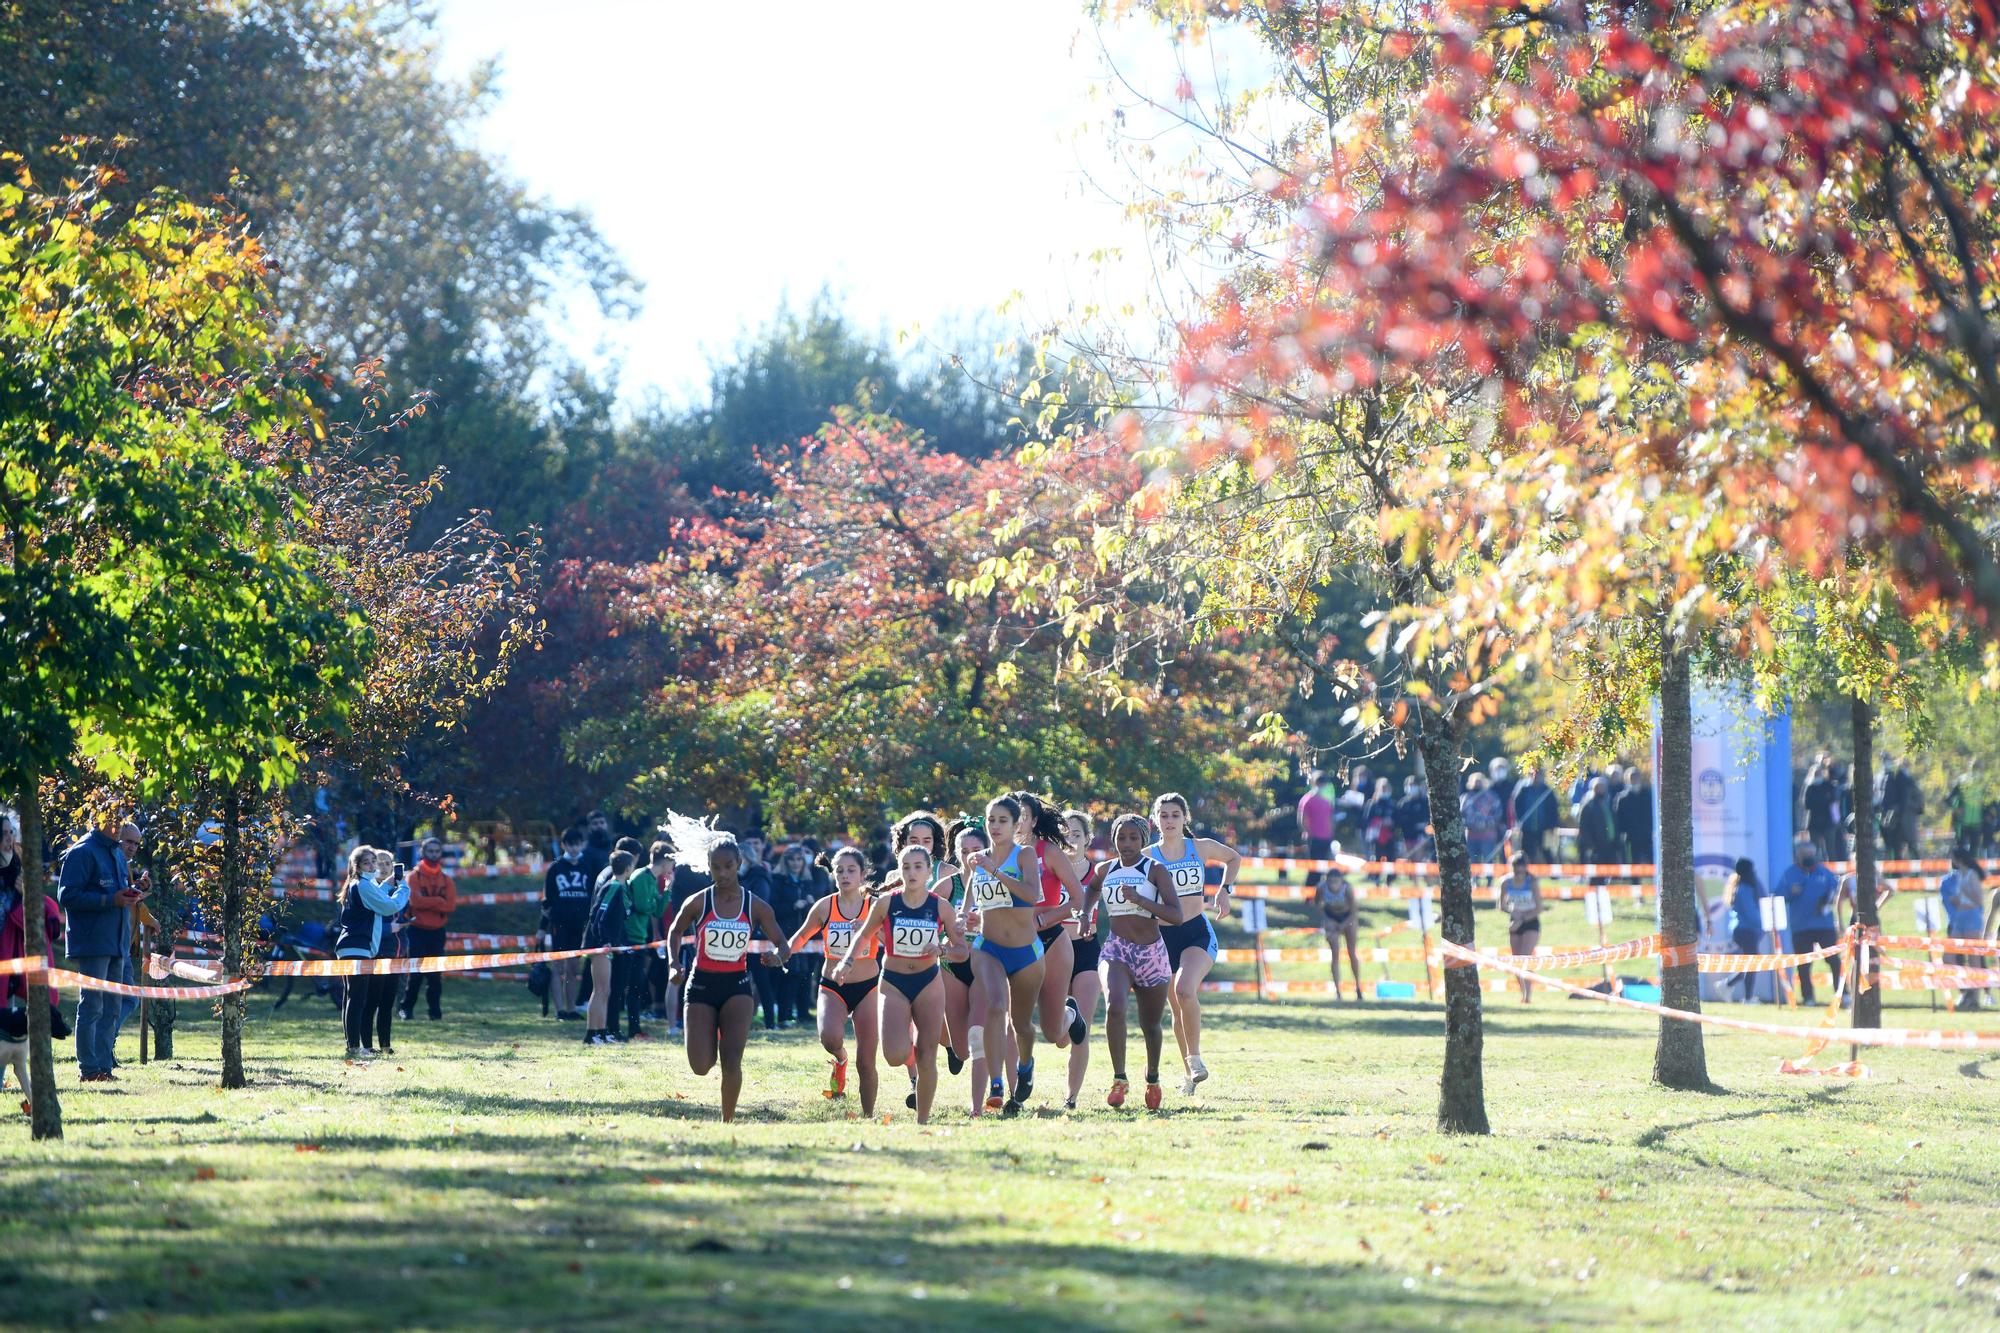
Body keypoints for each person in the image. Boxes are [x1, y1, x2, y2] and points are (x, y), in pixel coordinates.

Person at [833, 843, 969, 1123]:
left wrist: (942, 950)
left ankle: (922, 1119)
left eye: (918, 867)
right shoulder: (887, 902)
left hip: (928, 981)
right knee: (894, 1055)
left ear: (929, 872)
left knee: (928, 1054)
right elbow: (863, 937)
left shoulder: (940, 906)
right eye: (906, 867)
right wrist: (846, 962)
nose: (911, 872)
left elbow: (962, 950)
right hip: (894, 981)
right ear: (899, 870)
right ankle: (914, 1055)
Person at [664, 833, 790, 1122]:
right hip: (701, 985)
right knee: (701, 1065)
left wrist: (777, 957)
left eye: (728, 866)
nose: (722, 873)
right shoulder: (699, 902)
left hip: (737, 987)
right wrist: (673, 964)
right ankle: (710, 1034)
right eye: (716, 867)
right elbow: (674, 931)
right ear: (708, 866)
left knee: (732, 1058)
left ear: (739, 864)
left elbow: (783, 945)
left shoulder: (756, 906)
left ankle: (727, 1121)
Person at [1082, 813, 1183, 1110]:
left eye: (1133, 838)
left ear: (1143, 840)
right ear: (1113, 839)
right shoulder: (1105, 869)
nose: (1126, 844)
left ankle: (1152, 1078)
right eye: (1121, 837)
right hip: (1117, 950)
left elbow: (1176, 915)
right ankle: (1119, 1080)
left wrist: (1141, 900)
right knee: (1115, 1006)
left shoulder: (1155, 870)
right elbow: (1092, 889)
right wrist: (1087, 915)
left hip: (1151, 954)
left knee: (1150, 1024)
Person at [1145, 791, 1241, 1097]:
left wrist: (1224, 890)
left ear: (1185, 818)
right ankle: (1190, 1076)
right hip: (1162, 938)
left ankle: (1195, 1057)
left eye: (1175, 815)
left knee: (1184, 989)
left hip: (1196, 931)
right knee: (1175, 1007)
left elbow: (1233, 858)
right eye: (1164, 815)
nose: (1169, 821)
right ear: (1155, 820)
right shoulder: (1147, 856)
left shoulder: (1198, 847)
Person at [964, 795, 1046, 1115]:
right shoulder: (977, 859)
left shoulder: (1023, 854)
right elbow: (970, 905)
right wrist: (966, 917)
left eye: (1002, 821)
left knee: (1022, 1024)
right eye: (991, 820)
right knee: (996, 1007)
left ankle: (1025, 1064)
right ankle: (996, 1083)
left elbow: (1032, 893)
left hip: (1026, 952)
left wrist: (996, 870)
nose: (995, 826)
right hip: (989, 948)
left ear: (1015, 825)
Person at [789, 846, 881, 1110]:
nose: (845, 875)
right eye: (839, 870)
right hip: (833, 985)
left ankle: (867, 1116)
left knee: (866, 1060)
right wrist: (781, 951)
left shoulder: (874, 906)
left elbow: (890, 940)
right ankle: (840, 1059)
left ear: (863, 874)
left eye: (851, 870)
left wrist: (868, 931)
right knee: (830, 1038)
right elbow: (801, 936)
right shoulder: (825, 906)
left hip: (868, 987)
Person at [57, 806, 142, 1084]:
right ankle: (89, 1069)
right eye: (115, 821)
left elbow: (117, 893)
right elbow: (67, 896)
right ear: (100, 819)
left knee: (113, 1006)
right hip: (93, 941)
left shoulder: (116, 852)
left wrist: (134, 892)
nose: (119, 826)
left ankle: (104, 1067)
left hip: (117, 941)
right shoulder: (82, 851)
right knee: (92, 1005)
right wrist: (110, 901)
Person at [1016, 791, 1088, 1095]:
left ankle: (1070, 1013)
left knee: (1053, 1032)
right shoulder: (997, 856)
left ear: (1033, 820)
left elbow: (1078, 898)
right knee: (1012, 1021)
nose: (1016, 822)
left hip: (1050, 939)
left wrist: (1044, 919)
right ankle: (1014, 1083)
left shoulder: (1050, 852)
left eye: (1022, 815)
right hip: (1013, 944)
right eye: (1009, 815)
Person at [333, 846, 407, 1061]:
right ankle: (355, 1048)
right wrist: (403, 889)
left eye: (374, 862)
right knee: (357, 998)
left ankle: (353, 1046)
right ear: (357, 866)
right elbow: (388, 907)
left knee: (352, 997)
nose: (373, 866)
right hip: (357, 947)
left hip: (351, 946)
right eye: (368, 863)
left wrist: (385, 885)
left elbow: (374, 901)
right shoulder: (363, 885)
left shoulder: (360, 885)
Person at [1, 809, 67, 1042]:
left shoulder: (19, 873)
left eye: (11, 833)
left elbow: (31, 917)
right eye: (4, 834)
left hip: (9, 960)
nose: (9, 840)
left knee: (6, 1030)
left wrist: (27, 895)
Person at [1061, 808, 1100, 1110]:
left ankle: (1071, 1098)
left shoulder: (1098, 873)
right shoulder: (1048, 869)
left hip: (1087, 951)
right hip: (1055, 952)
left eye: (1077, 834)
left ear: (1088, 839)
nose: (1071, 840)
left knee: (1081, 1031)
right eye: (1066, 834)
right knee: (1061, 1037)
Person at [1773, 839, 1841, 1004]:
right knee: (1803, 964)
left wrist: (1829, 901)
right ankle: (1808, 997)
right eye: (1804, 855)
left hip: (1824, 925)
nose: (1809, 857)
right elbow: (1778, 896)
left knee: (1833, 960)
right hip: (1801, 927)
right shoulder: (1789, 874)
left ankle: (1842, 993)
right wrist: (1791, 892)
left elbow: (1838, 890)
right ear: (1797, 856)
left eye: (1811, 854)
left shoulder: (1824, 872)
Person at [398, 837, 458, 1022]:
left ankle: (435, 1012)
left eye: (436, 851)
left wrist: (428, 903)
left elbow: (450, 906)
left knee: (435, 975)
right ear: (423, 853)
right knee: (415, 973)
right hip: (416, 930)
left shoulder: (446, 880)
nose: (433, 854)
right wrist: (438, 901)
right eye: (430, 851)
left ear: (440, 854)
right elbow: (415, 901)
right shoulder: (413, 877)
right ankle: (406, 1010)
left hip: (437, 932)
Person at [582, 849, 635, 1044]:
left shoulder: (622, 888)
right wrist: (604, 940)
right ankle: (592, 1033)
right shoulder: (613, 887)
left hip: (609, 945)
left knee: (606, 990)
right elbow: (598, 916)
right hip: (600, 945)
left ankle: (601, 1032)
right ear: (628, 867)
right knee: (600, 989)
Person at [767, 844, 823, 1027]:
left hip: (806, 936)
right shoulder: (778, 880)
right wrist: (793, 905)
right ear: (786, 861)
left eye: (799, 859)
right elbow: (771, 908)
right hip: (786, 933)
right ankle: (784, 1015)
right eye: (792, 859)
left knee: (804, 975)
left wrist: (809, 904)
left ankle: (803, 1012)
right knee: (788, 976)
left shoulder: (807, 881)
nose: (796, 863)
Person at [541, 827, 592, 1021]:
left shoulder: (586, 867)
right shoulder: (555, 868)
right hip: (558, 923)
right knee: (558, 967)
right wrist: (541, 928)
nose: (573, 848)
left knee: (573, 967)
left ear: (582, 845)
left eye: (577, 844)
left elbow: (591, 897)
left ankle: (571, 1009)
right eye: (570, 844)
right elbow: (547, 900)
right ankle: (559, 1009)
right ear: (563, 845)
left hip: (578, 925)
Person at [621, 842, 668, 1040]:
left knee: (637, 986)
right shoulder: (641, 876)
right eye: (672, 861)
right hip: (630, 937)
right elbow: (641, 906)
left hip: (641, 937)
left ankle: (634, 1029)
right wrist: (653, 902)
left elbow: (657, 911)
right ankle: (619, 1028)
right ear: (666, 860)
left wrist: (667, 891)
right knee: (626, 985)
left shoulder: (654, 879)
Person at [366, 850, 409, 1054]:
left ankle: (385, 1045)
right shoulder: (369, 889)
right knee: (371, 1000)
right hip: (377, 952)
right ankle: (365, 1045)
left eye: (387, 864)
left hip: (397, 953)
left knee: (388, 1002)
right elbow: (367, 924)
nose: (383, 868)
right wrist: (387, 929)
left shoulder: (398, 889)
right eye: (379, 863)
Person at [1940, 846, 1990, 1010]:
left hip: (1971, 918)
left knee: (1974, 957)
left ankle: (1974, 997)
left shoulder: (1971, 874)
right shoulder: (1958, 875)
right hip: (1959, 918)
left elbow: (1978, 900)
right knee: (1948, 956)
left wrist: (1963, 896)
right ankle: (1964, 989)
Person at [1496, 853, 1542, 1003]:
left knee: (1525, 957)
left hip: (1530, 921)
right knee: (1516, 960)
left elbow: (1539, 907)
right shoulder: (1505, 882)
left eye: (1522, 872)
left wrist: (1522, 918)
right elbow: (1501, 906)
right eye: (1517, 872)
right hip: (1514, 921)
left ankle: (1528, 995)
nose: (1520, 875)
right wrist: (1512, 913)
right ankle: (1523, 992)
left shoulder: (1532, 881)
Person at [1316, 854, 1362, 1001]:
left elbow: (1355, 911)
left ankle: (1358, 987)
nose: (1333, 885)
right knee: (1334, 954)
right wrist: (1327, 921)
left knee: (1351, 952)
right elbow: (1318, 905)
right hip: (1331, 918)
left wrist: (1344, 924)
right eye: (1331, 882)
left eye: (1336, 882)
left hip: (1348, 917)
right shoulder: (1321, 888)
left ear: (1341, 881)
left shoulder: (1348, 889)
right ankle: (1338, 992)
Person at [1726, 858, 1765, 1001]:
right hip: (1746, 930)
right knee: (1752, 963)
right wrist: (1764, 925)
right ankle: (1747, 997)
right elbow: (1751, 914)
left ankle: (1727, 985)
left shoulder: (1741, 886)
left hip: (1743, 930)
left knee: (1750, 962)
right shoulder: (1745, 889)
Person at [1508, 766, 1558, 863]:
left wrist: (1552, 825)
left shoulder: (1547, 791)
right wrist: (1519, 820)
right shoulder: (1523, 789)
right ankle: (1526, 874)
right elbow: (1516, 806)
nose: (1536, 777)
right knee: (1526, 853)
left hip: (1543, 829)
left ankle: (1553, 875)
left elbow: (1553, 810)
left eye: (1538, 774)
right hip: (1527, 828)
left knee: (1546, 852)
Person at [1576, 776, 1619, 871]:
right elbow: (1583, 827)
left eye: (1603, 787)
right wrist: (1591, 845)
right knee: (1596, 875)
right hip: (1596, 847)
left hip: (1610, 845)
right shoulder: (1589, 805)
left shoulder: (1607, 804)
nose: (1601, 790)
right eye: (1598, 787)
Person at [1614, 767, 1654, 866]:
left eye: (1636, 777)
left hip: (1647, 835)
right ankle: (1635, 881)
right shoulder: (1622, 798)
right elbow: (1618, 818)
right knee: (1634, 863)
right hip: (1631, 837)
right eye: (1632, 777)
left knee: (1652, 861)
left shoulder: (1648, 795)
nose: (1635, 780)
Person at [1296, 771, 1336, 862]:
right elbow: (1302, 820)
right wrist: (1308, 833)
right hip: (1313, 838)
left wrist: (1331, 834)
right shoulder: (1306, 800)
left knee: (1324, 866)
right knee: (1313, 868)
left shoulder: (1326, 802)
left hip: (1326, 838)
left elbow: (1330, 820)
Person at [1394, 775, 1431, 858]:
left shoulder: (1424, 802)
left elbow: (1428, 818)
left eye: (1413, 785)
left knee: (1419, 859)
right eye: (1409, 785)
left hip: (1421, 837)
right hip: (1407, 836)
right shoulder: (1403, 803)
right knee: (1408, 860)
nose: (1411, 787)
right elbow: (1398, 821)